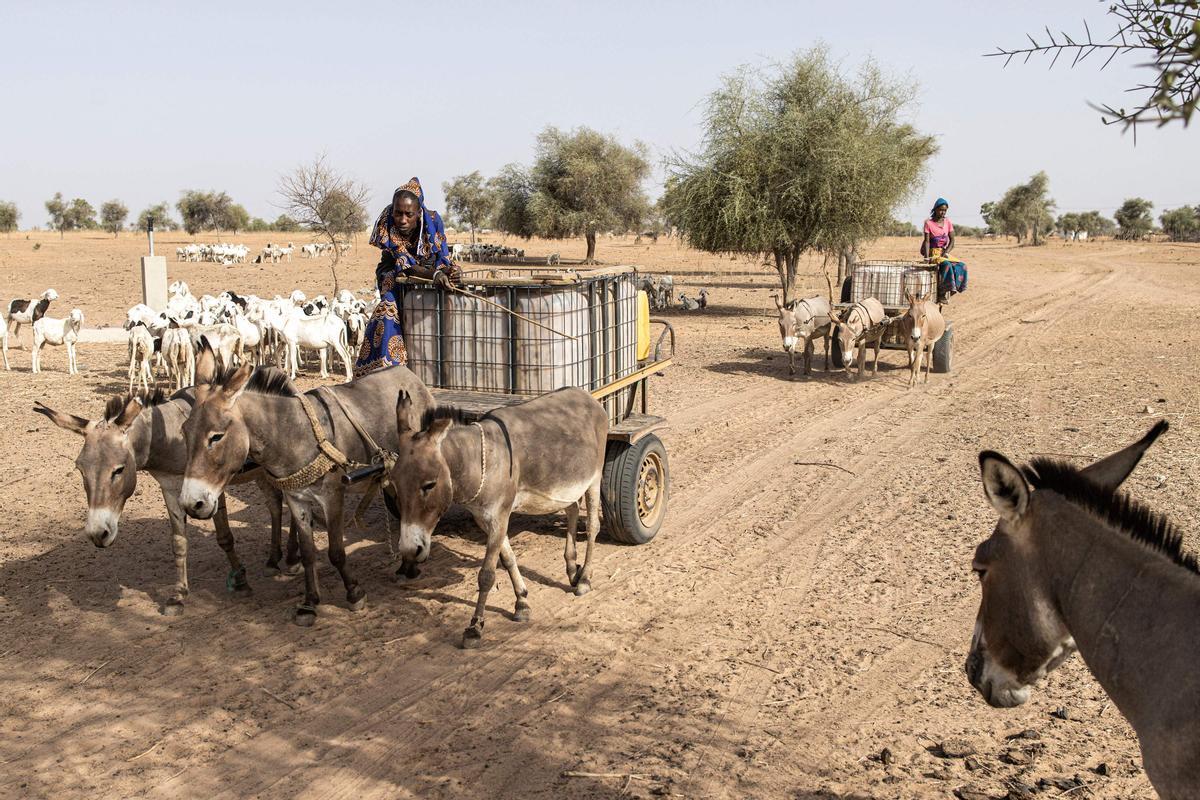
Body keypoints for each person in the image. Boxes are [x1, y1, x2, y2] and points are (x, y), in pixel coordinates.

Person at [355, 177, 462, 376]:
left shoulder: (433, 220)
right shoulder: (387, 221)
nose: (402, 219)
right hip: (393, 270)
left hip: (428, 266)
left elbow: (442, 254)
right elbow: (403, 262)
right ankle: (389, 366)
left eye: (408, 214)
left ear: (419, 213)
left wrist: (450, 271)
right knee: (389, 305)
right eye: (398, 213)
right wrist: (435, 274)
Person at [921, 197, 967, 303]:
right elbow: (927, 242)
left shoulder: (948, 223)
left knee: (962, 265)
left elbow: (952, 241)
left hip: (944, 252)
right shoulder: (928, 223)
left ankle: (954, 289)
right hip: (934, 253)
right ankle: (942, 292)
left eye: (945, 210)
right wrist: (927, 258)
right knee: (946, 264)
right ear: (936, 209)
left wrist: (946, 252)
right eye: (941, 210)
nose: (943, 212)